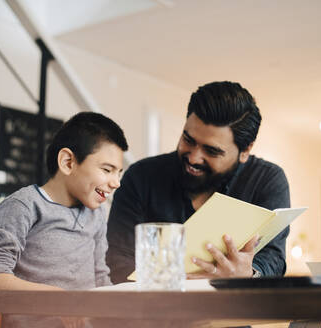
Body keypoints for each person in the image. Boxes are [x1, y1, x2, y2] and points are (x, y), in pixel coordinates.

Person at [107, 81, 290, 283]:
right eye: (188, 140)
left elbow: (273, 258)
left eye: (212, 151)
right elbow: (117, 259)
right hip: (153, 309)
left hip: (233, 310)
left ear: (245, 151)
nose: (194, 158)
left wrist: (248, 273)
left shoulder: (266, 180)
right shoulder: (141, 176)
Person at [0, 112, 128, 300]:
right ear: (67, 162)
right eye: (107, 170)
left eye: (119, 173)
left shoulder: (97, 214)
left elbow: (100, 279)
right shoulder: (24, 206)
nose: (116, 183)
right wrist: (57, 298)